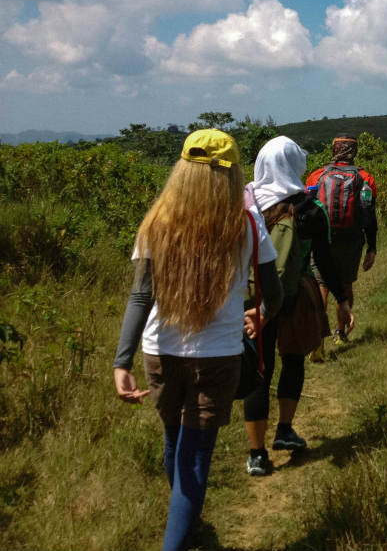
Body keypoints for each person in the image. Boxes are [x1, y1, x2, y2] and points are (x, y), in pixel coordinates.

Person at [112, 129, 282, 551]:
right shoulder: (247, 222)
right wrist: (259, 316)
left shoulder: (158, 221)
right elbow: (274, 294)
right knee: (195, 456)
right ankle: (182, 532)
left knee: (175, 441)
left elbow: (141, 295)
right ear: (234, 173)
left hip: (159, 352)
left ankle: (186, 525)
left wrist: (122, 361)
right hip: (218, 357)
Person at [242, 135, 342, 476]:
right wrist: (343, 300)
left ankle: (256, 453)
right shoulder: (311, 210)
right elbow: (325, 261)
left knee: (260, 369)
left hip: (254, 299)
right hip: (294, 297)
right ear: (295, 166)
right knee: (293, 360)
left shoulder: (247, 200)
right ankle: (285, 430)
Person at [305, 133, 377, 349]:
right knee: (344, 285)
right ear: (354, 151)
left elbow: (307, 209)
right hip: (351, 240)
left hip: (321, 240)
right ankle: (339, 332)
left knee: (321, 285)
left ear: (334, 150)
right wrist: (372, 247)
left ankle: (317, 338)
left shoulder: (316, 176)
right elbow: (369, 214)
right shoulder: (366, 178)